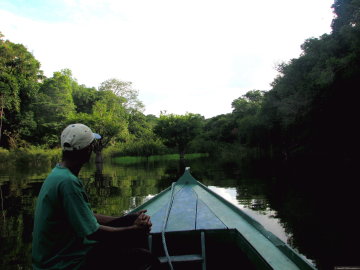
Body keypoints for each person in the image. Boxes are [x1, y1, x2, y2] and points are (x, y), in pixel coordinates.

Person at [32, 123, 160, 270]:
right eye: (92, 146)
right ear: (88, 150)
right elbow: (94, 233)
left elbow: (85, 216)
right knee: (146, 258)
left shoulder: (58, 173)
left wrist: (128, 219)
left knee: (130, 223)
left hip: (60, 255)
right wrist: (134, 230)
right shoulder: (68, 183)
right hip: (64, 263)